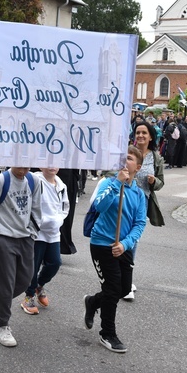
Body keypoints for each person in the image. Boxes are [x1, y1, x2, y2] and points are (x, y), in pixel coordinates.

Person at [83, 146, 147, 353]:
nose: (124, 162)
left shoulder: (138, 194)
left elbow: (139, 223)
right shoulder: (109, 183)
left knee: (123, 288)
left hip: (123, 246)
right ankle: (107, 333)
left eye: (129, 159)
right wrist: (117, 183)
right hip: (102, 244)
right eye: (122, 158)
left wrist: (125, 244)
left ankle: (93, 302)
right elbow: (99, 207)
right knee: (112, 289)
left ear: (137, 167)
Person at [0, 167, 42, 347]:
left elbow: (37, 207)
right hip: (3, 239)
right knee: (6, 282)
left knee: (25, 280)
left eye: (28, 164)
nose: (25, 168)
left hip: (25, 238)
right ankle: (3, 325)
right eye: (21, 164)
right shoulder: (0, 181)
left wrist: (33, 232)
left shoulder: (33, 181)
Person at [124, 121, 165, 300]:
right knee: (123, 240)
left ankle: (125, 280)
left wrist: (153, 181)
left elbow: (161, 183)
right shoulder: (128, 152)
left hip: (142, 205)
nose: (140, 136)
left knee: (132, 242)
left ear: (150, 137)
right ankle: (124, 282)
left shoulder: (156, 158)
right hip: (124, 202)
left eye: (144, 133)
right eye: (138, 132)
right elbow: (114, 172)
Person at [20, 168, 70, 315]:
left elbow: (65, 206)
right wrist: (36, 222)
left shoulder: (61, 185)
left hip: (54, 233)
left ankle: (39, 285)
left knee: (55, 262)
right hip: (37, 232)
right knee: (33, 266)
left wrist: (59, 219)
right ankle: (28, 296)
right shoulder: (35, 180)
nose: (52, 166)